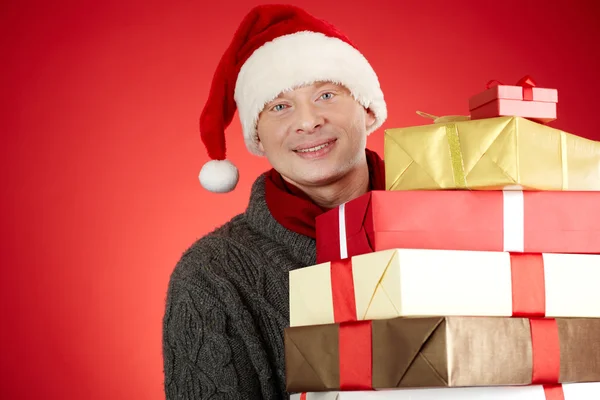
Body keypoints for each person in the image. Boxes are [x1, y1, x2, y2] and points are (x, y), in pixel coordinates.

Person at [162, 4, 388, 399]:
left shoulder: (450, 224)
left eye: (327, 94)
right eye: (279, 106)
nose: (308, 121)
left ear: (367, 110)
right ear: (258, 136)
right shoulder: (211, 277)